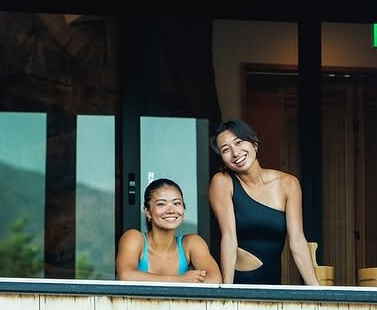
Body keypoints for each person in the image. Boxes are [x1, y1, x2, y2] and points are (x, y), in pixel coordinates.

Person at [208, 119, 319, 286]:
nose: (235, 153)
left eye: (238, 142)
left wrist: (316, 290)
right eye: (226, 149)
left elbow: (297, 241)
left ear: (254, 143)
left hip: (273, 282)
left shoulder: (288, 184)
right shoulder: (222, 182)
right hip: (238, 281)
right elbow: (229, 238)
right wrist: (227, 289)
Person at [116, 178, 222, 283]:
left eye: (176, 203)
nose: (171, 210)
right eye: (161, 204)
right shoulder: (134, 238)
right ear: (148, 212)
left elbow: (215, 279)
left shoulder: (191, 243)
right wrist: (181, 280)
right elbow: (126, 275)